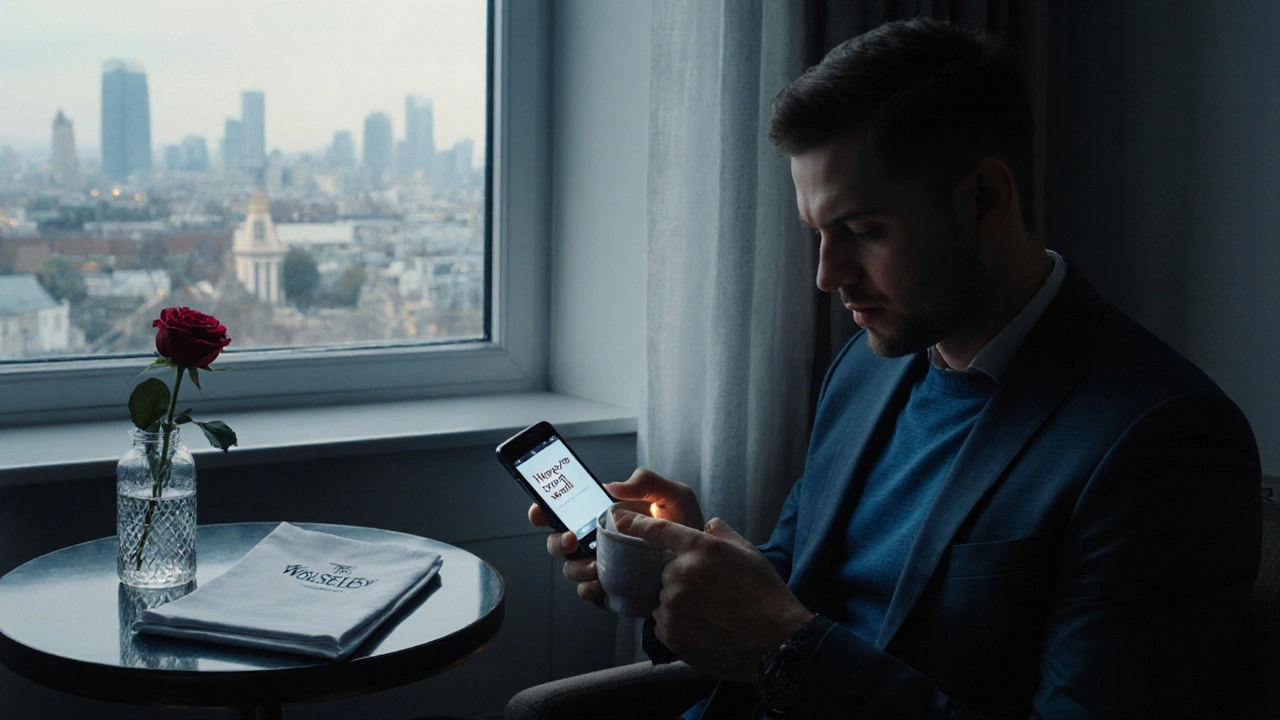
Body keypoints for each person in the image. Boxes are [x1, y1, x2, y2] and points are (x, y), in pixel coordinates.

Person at [529, 17, 1261, 719]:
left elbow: (792, 635)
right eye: (819, 233)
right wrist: (682, 565)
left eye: (863, 230)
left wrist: (783, 648)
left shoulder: (1162, 442)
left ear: (985, 200)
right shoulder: (867, 368)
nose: (828, 275)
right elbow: (804, 584)